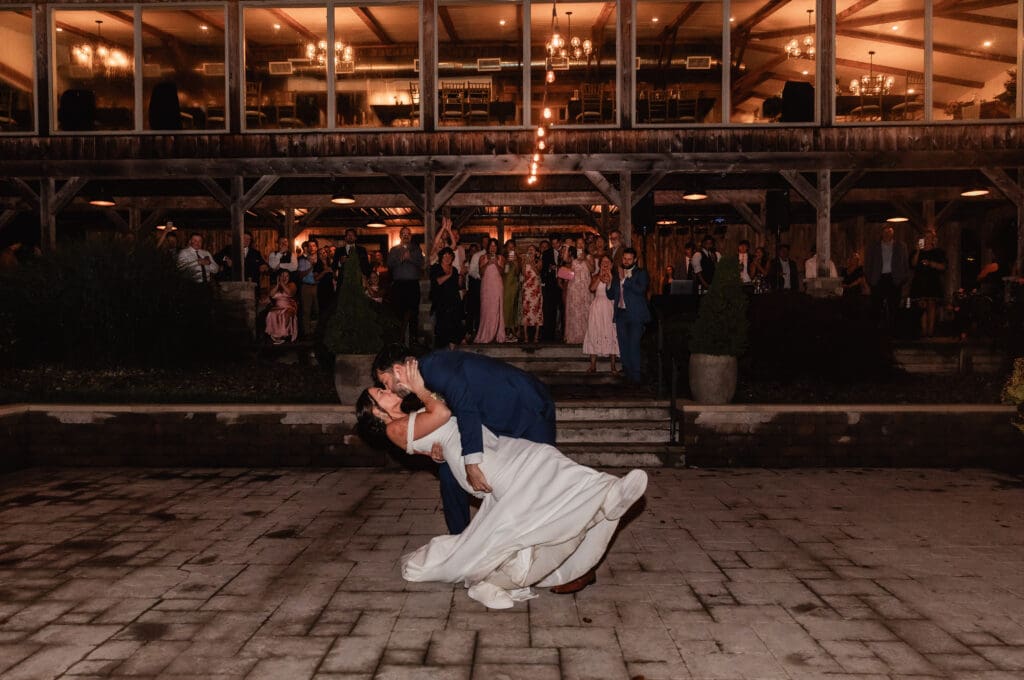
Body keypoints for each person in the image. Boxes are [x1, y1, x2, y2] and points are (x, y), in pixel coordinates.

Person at [357, 358, 647, 608]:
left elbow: (435, 439)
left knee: (544, 456)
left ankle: (606, 492)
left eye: (382, 385)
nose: (386, 390)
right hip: (478, 463)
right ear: (375, 413)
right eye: (379, 393)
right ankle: (494, 581)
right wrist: (420, 389)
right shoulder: (394, 428)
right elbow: (443, 415)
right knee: (527, 505)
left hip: (489, 445)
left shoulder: (407, 417)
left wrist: (436, 448)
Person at [371, 344, 557, 537]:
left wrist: (472, 463)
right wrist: (439, 451)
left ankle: (552, 537)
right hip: (493, 423)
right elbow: (447, 420)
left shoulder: (434, 368)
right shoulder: (422, 381)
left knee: (540, 482)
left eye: (386, 383)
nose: (388, 389)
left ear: (398, 371)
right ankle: (459, 538)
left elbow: (465, 408)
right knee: (448, 474)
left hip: (526, 407)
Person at [607, 248, 650, 383]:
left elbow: (641, 289)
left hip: (636, 315)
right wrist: (609, 283)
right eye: (624, 259)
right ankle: (627, 373)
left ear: (635, 260)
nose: (626, 261)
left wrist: (624, 279)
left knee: (634, 345)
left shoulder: (641, 273)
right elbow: (610, 296)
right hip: (621, 314)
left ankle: (636, 376)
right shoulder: (617, 273)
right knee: (623, 345)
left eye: (629, 259)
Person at [864, 225, 910, 330]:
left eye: (889, 232)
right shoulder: (874, 246)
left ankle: (893, 330)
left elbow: (905, 264)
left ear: (893, 233)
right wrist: (869, 280)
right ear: (881, 233)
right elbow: (868, 264)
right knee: (876, 306)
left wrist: (903, 279)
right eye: (885, 232)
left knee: (894, 306)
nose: (887, 234)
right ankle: (876, 330)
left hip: (894, 279)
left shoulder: (901, 246)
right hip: (878, 279)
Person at [388, 227, 425, 345]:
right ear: (400, 236)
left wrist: (411, 258)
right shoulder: (393, 250)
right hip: (399, 286)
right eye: (403, 234)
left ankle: (414, 341)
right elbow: (389, 264)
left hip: (413, 285)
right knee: (398, 314)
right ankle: (399, 342)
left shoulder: (416, 249)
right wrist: (401, 259)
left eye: (408, 234)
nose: (406, 236)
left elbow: (422, 264)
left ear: (411, 236)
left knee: (413, 313)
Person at [583, 255, 619, 374]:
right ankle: (593, 365)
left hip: (609, 306)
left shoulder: (615, 277)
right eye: (603, 262)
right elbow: (592, 289)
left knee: (611, 332)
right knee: (594, 332)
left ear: (612, 264)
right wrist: (599, 276)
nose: (605, 264)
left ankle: (613, 366)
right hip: (597, 306)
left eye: (607, 262)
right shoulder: (595, 276)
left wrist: (610, 275)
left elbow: (616, 291)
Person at [909, 230, 947, 337]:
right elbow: (913, 264)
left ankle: (930, 331)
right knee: (921, 306)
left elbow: (943, 267)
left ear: (933, 239)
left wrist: (931, 263)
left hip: (932, 281)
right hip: (920, 281)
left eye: (930, 237)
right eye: (925, 237)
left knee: (931, 305)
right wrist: (917, 251)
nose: (927, 239)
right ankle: (923, 331)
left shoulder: (938, 252)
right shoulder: (917, 251)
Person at [429, 247, 464, 349]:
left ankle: (453, 350)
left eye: (449, 256)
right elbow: (438, 281)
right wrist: (449, 275)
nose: (447, 258)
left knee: (454, 327)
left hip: (454, 302)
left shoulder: (455, 269)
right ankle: (442, 352)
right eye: (445, 255)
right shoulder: (436, 268)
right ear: (441, 257)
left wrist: (461, 275)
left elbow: (458, 285)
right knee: (442, 328)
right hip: (441, 303)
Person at [474, 239, 505, 344]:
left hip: (497, 285)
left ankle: (497, 334)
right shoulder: (482, 257)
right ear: (488, 247)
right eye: (491, 246)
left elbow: (501, 272)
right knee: (486, 309)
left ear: (497, 248)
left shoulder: (501, 258)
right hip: (486, 286)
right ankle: (486, 333)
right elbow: (481, 273)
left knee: (496, 308)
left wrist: (496, 263)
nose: (493, 248)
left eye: (495, 246)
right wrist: (487, 263)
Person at [563, 245, 592, 344]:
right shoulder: (572, 258)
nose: (580, 245)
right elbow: (565, 262)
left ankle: (586, 336)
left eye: (582, 243)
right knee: (574, 311)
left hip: (584, 287)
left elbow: (592, 270)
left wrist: (585, 259)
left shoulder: (588, 256)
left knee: (584, 310)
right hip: (574, 287)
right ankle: (573, 336)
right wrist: (567, 247)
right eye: (578, 243)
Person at [264, 270, 298, 344]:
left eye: (287, 276)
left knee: (285, 314)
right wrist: (277, 285)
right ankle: (275, 335)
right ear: (279, 277)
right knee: (271, 313)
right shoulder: (275, 285)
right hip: (278, 307)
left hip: (289, 306)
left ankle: (283, 335)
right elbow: (271, 294)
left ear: (289, 277)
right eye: (282, 276)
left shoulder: (292, 284)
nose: (284, 277)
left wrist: (282, 284)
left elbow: (290, 293)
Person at [519, 244, 543, 343]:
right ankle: (525, 335)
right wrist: (525, 262)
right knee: (526, 310)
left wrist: (532, 262)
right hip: (527, 288)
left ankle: (536, 335)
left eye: (532, 249)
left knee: (537, 310)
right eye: (529, 249)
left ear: (536, 252)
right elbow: (524, 274)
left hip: (536, 289)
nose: (530, 251)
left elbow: (537, 272)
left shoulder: (539, 261)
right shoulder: (524, 261)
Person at [501, 240, 521, 341]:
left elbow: (518, 273)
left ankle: (513, 329)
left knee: (513, 306)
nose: (511, 248)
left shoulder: (518, 258)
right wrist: (507, 262)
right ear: (506, 248)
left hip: (514, 285)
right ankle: (506, 329)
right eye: (509, 247)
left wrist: (515, 262)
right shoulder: (503, 257)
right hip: (505, 284)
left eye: (512, 247)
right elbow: (504, 272)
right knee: (506, 307)